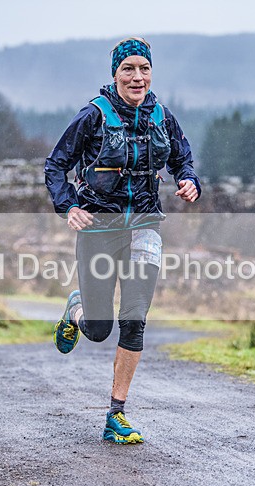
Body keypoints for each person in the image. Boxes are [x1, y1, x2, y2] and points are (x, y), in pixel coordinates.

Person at [44, 37, 201, 444]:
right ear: (115, 74)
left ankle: (117, 414)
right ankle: (76, 308)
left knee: (134, 320)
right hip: (99, 229)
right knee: (98, 330)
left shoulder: (162, 116)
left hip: (145, 225)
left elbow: (183, 157)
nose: (137, 76)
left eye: (143, 68)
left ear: (152, 72)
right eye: (128, 69)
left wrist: (189, 180)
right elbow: (56, 164)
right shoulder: (92, 117)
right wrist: (67, 207)